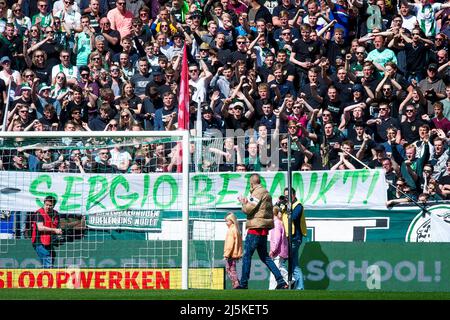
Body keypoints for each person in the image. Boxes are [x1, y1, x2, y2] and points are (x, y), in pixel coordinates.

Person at [236, 173, 288, 290]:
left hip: (255, 229)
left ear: (251, 183)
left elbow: (249, 209)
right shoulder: (267, 193)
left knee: (247, 256)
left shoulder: (257, 192)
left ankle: (243, 284)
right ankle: (281, 281)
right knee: (265, 257)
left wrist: (243, 202)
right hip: (263, 229)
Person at [283, 187, 307, 290]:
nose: (286, 198)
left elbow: (293, 217)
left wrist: (287, 207)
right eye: (285, 196)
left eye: (288, 196)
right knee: (294, 264)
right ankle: (299, 287)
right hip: (287, 237)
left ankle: (289, 282)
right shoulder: (285, 205)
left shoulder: (298, 206)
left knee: (283, 262)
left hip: (294, 238)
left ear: (294, 195)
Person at [31, 195, 63, 268]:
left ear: (54, 206)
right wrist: (55, 230)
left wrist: (59, 232)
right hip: (39, 242)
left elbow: (57, 225)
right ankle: (48, 277)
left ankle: (45, 276)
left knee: (48, 259)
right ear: (44, 203)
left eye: (50, 205)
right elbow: (40, 228)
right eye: (46, 205)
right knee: (47, 258)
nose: (48, 207)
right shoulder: (39, 213)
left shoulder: (55, 214)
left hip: (49, 241)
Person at [268, 205, 288, 290]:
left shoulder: (276, 224)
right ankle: (289, 281)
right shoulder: (278, 223)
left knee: (275, 270)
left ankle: (289, 281)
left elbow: (277, 239)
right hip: (281, 251)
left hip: (278, 251)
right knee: (280, 267)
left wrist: (273, 250)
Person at [223, 212, 242, 289]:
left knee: (230, 269)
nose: (226, 223)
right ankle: (236, 284)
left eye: (227, 221)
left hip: (231, 254)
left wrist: (226, 254)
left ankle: (236, 284)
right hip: (234, 253)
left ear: (232, 221)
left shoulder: (231, 230)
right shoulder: (236, 229)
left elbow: (230, 244)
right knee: (231, 269)